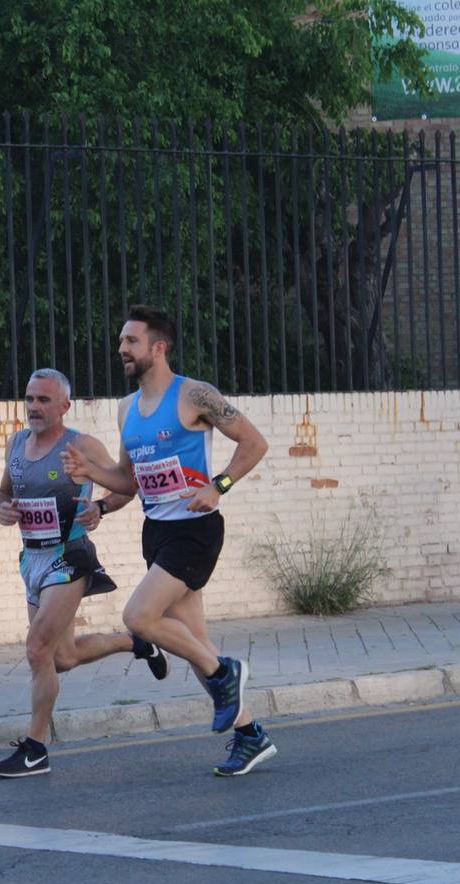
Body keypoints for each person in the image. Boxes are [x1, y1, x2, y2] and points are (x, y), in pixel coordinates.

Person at [61, 305, 276, 776]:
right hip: (156, 531)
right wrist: (94, 488)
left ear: (158, 347)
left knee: (139, 617)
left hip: (195, 531)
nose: (121, 348)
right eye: (121, 341)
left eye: (131, 341)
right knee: (192, 640)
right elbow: (128, 479)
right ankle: (249, 735)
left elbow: (254, 443)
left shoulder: (195, 395)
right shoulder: (126, 410)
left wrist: (217, 485)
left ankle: (227, 673)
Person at [0, 367, 169, 779]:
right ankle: (136, 644)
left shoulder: (81, 445)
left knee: (37, 649)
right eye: (30, 398)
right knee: (62, 658)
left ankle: (35, 749)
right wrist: (4, 509)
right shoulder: (15, 444)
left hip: (69, 556)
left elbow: (127, 484)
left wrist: (99, 507)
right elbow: (4, 493)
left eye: (44, 400)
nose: (34, 407)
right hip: (30, 559)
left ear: (65, 406)